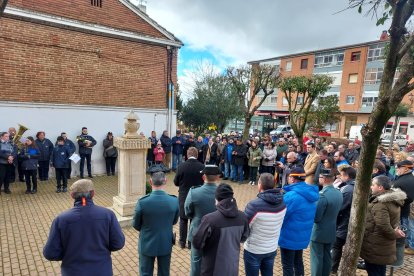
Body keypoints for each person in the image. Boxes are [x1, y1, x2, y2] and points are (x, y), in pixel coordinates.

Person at [43, 179, 125, 275]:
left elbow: (50, 253)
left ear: (72, 195)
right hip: (102, 270)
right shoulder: (108, 215)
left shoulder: (61, 219)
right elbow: (118, 243)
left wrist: (68, 254)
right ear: (93, 193)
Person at [192, 184, 250, 276]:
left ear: (217, 199)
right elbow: (244, 238)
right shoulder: (243, 217)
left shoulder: (209, 219)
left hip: (212, 270)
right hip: (232, 268)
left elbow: (197, 243)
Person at [133, 171, 179, 276]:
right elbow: (174, 221)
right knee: (164, 273)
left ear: (150, 182)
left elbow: (136, 224)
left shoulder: (142, 202)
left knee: (145, 273)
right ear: (166, 181)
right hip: (165, 242)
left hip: (147, 243)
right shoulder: (174, 201)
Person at [360, 176, 406, 276]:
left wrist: (394, 234)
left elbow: (383, 225)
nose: (371, 187)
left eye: (373, 185)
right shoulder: (393, 198)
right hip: (383, 245)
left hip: (375, 245)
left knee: (374, 271)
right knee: (380, 269)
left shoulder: (380, 204)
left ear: (380, 187)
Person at [278, 167, 319, 276]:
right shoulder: (311, 194)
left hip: (289, 237)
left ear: (292, 178)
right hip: (302, 236)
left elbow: (282, 216)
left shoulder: (291, 196)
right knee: (298, 262)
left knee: (287, 265)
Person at [244, 173, 287, 276]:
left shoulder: (254, 206)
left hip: (254, 250)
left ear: (260, 184)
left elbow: (245, 226)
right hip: (271, 248)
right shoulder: (283, 203)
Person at [184, 165, 219, 276]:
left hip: (197, 231)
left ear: (203, 177)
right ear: (217, 177)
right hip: (217, 233)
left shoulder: (194, 192)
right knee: (214, 263)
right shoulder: (223, 192)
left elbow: (187, 212)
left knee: (196, 263)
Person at [310, 168, 343, 276]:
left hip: (319, 232)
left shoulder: (322, 195)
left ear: (323, 179)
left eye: (319, 177)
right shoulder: (338, 193)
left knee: (316, 258)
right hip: (332, 229)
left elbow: (316, 218)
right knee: (327, 257)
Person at [173, 147, 204, 249]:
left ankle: (182, 242)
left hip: (184, 196)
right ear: (196, 155)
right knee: (194, 220)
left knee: (183, 219)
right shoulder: (202, 167)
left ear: (187, 155)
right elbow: (204, 182)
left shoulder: (181, 166)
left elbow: (176, 182)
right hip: (197, 196)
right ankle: (191, 243)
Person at [331, 167, 356, 274]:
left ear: (347, 176)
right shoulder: (352, 186)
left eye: (341, 175)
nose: (340, 177)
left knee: (336, 246)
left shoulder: (348, 190)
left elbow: (340, 207)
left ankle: (332, 269)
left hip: (344, 224)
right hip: (347, 222)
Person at [392, 160, 414, 255]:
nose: (397, 169)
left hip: (403, 209)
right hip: (405, 209)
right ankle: (406, 243)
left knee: (406, 227)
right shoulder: (409, 178)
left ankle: (410, 246)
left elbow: (409, 198)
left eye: (399, 168)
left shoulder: (405, 180)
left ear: (405, 168)